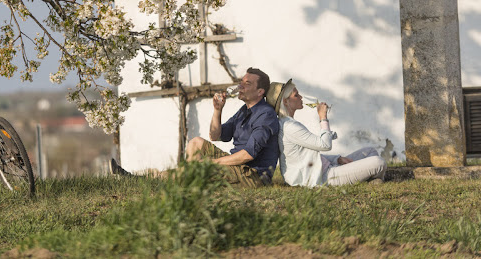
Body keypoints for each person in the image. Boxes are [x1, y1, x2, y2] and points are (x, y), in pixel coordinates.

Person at [111, 68, 280, 187]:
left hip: (252, 176)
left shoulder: (265, 115)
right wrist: (217, 110)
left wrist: (214, 163)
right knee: (196, 142)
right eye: (241, 82)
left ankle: (147, 180)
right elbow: (215, 135)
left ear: (260, 92)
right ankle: (187, 180)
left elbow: (247, 155)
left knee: (201, 168)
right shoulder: (244, 111)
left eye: (247, 84)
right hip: (238, 167)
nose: (240, 86)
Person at [266, 79, 386, 187]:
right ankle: (372, 179)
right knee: (378, 162)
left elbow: (308, 155)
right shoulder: (290, 127)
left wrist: (337, 159)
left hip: (324, 168)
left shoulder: (289, 123)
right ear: (286, 102)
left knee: (370, 151)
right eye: (296, 95)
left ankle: (369, 178)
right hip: (322, 177)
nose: (301, 97)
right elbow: (325, 145)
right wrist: (323, 117)